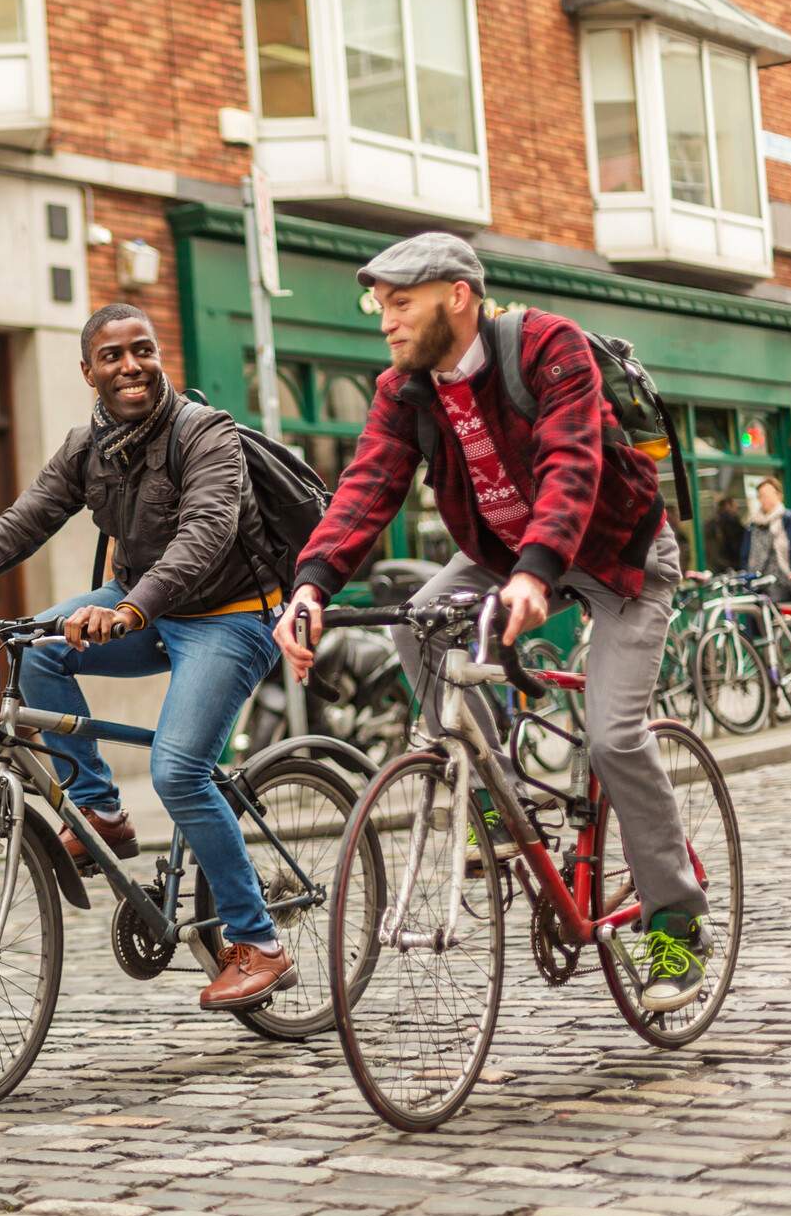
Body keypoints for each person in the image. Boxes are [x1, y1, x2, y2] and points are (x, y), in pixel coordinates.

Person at [273, 233, 711, 1015]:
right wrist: (309, 585)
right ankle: (497, 801)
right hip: (507, 558)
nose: (387, 323)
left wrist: (539, 571)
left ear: (458, 296)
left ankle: (675, 921)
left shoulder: (547, 345)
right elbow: (367, 484)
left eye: (401, 303)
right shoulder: (405, 390)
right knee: (416, 623)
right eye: (381, 307)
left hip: (619, 557)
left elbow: (572, 461)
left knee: (613, 739)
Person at [0, 305, 296, 1012]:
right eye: (112, 356)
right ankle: (100, 812)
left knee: (179, 769)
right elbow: (20, 523)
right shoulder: (89, 446)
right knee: (37, 648)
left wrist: (131, 606)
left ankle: (258, 941)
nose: (130, 365)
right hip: (138, 603)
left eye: (143, 350)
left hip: (227, 616)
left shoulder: (206, 433)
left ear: (159, 356)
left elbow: (205, 532)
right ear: (88, 372)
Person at [742, 476, 791, 603]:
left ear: (779, 496)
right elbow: (745, 556)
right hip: (758, 588)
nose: (763, 500)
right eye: (760, 496)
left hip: (787, 586)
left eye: (767, 495)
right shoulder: (752, 526)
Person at [705, 493, 746, 575]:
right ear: (727, 506)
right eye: (734, 506)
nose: (736, 509)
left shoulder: (709, 525)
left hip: (715, 567)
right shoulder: (732, 524)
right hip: (731, 567)